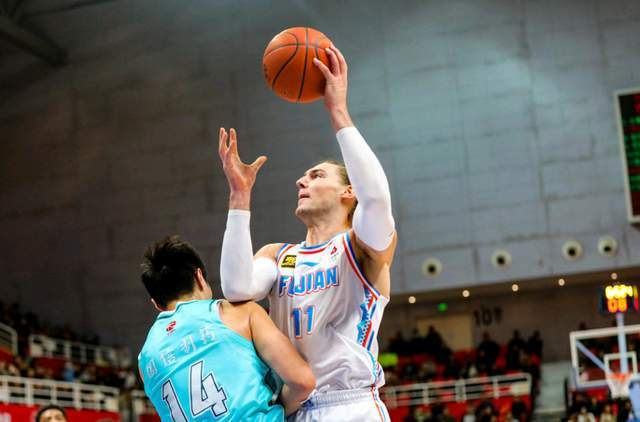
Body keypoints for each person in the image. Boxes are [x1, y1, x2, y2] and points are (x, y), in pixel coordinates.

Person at [218, 44, 396, 421]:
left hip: (351, 405)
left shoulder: (361, 246)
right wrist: (239, 196)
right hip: (295, 407)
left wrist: (337, 110)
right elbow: (235, 288)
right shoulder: (278, 256)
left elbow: (377, 200)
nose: (302, 181)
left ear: (349, 192)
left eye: (316, 176)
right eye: (303, 176)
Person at [138, 236, 315, 420]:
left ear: (156, 304)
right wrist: (276, 412)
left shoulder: (145, 361)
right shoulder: (238, 312)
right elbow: (302, 382)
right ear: (199, 277)